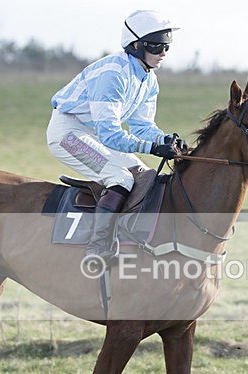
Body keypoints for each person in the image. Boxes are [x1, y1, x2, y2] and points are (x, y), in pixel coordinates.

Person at [46, 10, 187, 264]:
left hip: (96, 134)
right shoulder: (113, 74)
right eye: (156, 46)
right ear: (135, 45)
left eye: (166, 46)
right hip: (69, 133)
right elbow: (110, 135)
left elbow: (142, 127)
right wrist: (152, 147)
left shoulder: (149, 79)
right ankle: (98, 247)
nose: (163, 52)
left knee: (146, 176)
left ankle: (132, 239)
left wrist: (166, 140)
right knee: (120, 177)